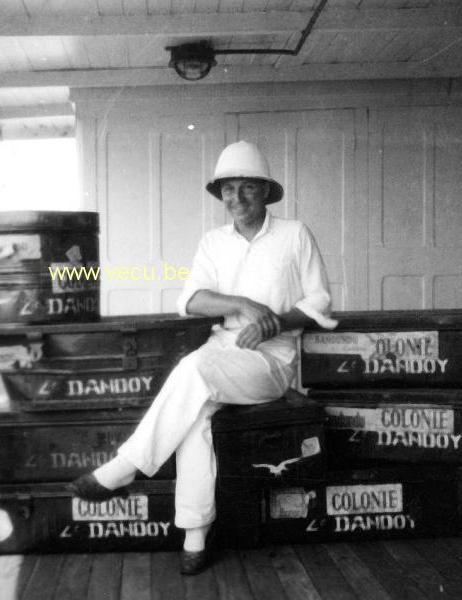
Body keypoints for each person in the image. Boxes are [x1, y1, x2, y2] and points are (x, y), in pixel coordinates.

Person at [68, 140, 337, 574]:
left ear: (265, 191)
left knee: (192, 368)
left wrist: (276, 321)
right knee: (196, 419)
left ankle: (126, 464)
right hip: (221, 355)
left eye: (247, 187)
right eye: (228, 190)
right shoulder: (213, 242)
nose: (237, 198)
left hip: (270, 362)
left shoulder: (294, 234)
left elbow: (321, 299)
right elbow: (190, 300)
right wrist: (241, 305)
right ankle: (194, 534)